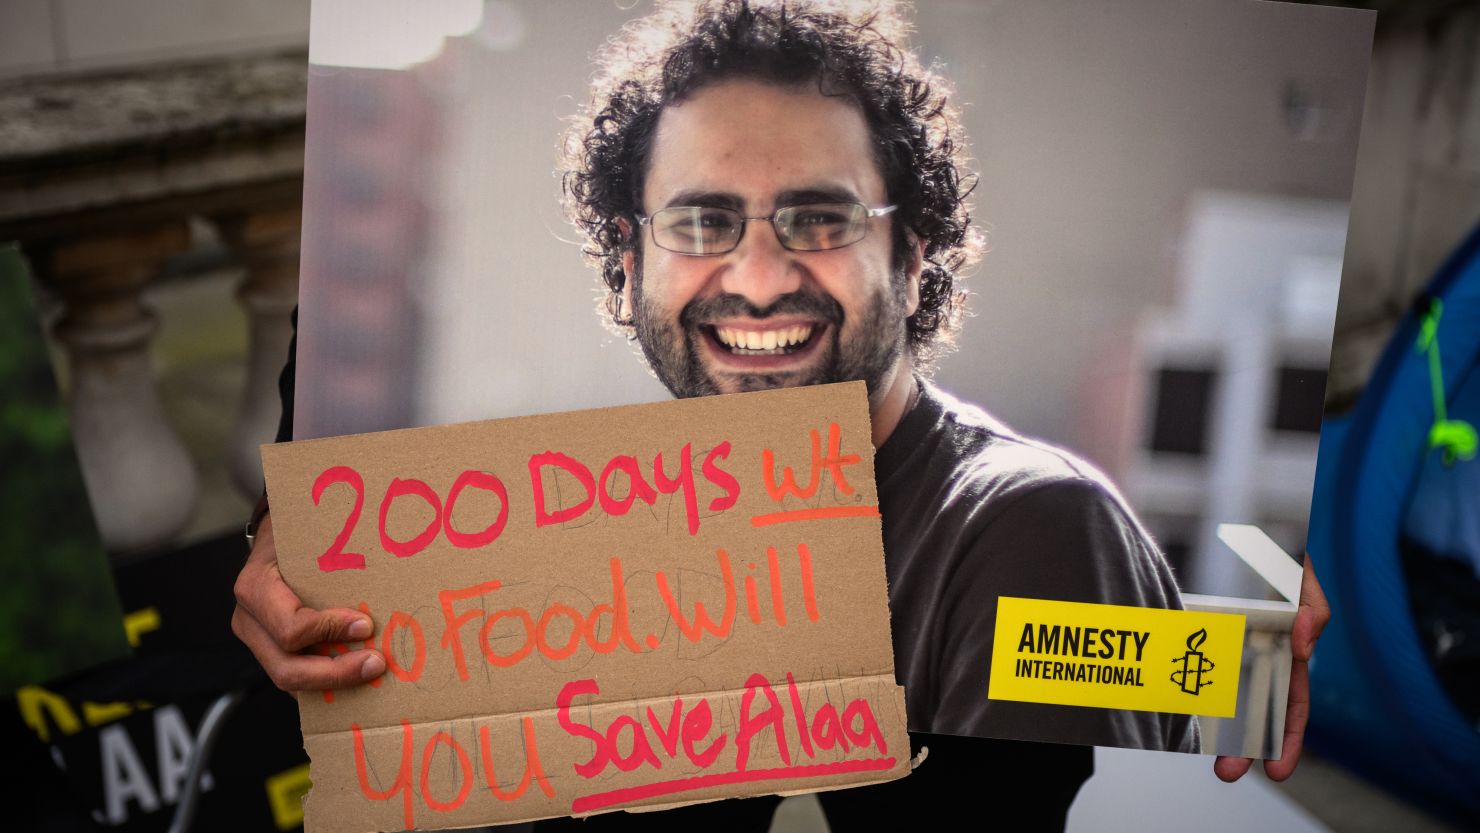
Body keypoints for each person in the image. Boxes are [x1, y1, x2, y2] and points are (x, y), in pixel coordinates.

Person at [232, 0, 1332, 828]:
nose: (758, 276)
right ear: (630, 262)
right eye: (702, 220)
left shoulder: (1028, 529)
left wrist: (1233, 671)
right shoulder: (606, 545)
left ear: (909, 253)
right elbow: (1173, 672)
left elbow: (1082, 669)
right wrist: (303, 551)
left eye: (818, 217)